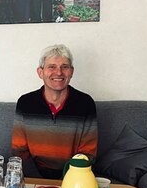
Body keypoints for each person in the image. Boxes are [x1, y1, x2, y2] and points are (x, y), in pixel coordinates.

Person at [11, 44, 97, 179]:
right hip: (33, 178)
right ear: (40, 72)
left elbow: (88, 152)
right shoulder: (25, 103)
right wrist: (38, 182)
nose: (58, 72)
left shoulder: (86, 103)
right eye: (51, 67)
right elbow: (19, 150)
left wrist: (68, 181)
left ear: (72, 72)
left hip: (74, 177)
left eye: (65, 67)